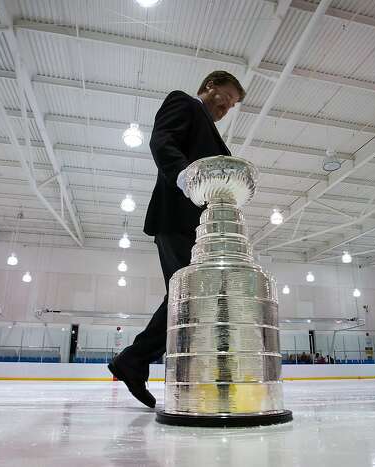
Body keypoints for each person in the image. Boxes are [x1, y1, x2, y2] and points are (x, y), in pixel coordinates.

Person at [108, 71, 245, 408]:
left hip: (201, 228)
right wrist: (184, 176)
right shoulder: (183, 102)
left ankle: (139, 361)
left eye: (232, 105)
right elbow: (162, 140)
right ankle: (141, 361)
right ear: (210, 86)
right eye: (226, 96)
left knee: (191, 298)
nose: (227, 106)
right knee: (191, 296)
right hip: (175, 218)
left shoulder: (214, 138)